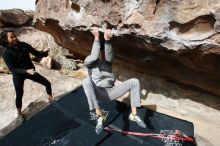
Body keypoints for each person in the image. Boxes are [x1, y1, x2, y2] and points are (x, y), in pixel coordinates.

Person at [82, 27, 146, 135]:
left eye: (103, 52)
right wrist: (97, 37)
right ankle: (100, 116)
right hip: (98, 91)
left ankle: (134, 115)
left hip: (111, 92)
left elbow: (110, 56)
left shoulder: (107, 63)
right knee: (86, 81)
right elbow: (93, 56)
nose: (102, 55)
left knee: (134, 81)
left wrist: (107, 40)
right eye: (100, 52)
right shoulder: (89, 62)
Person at [0, 30, 54, 123]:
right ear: (6, 40)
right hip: (19, 75)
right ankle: (19, 114)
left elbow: (37, 53)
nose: (15, 38)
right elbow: (13, 69)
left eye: (15, 36)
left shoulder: (24, 45)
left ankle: (50, 98)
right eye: (11, 37)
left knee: (47, 83)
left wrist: (45, 52)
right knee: (19, 94)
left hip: (31, 71)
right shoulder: (6, 53)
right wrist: (26, 71)